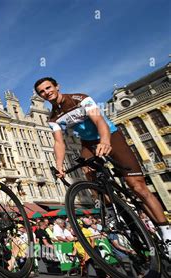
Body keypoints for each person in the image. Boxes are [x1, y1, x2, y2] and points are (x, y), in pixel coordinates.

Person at [34, 77, 171, 258]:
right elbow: (59, 142)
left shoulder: (80, 98)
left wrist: (105, 141)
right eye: (42, 92)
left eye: (48, 88)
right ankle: (115, 213)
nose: (46, 92)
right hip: (88, 143)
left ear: (57, 87)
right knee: (88, 171)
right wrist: (58, 166)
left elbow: (100, 122)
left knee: (137, 186)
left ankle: (166, 232)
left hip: (110, 135)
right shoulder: (53, 118)